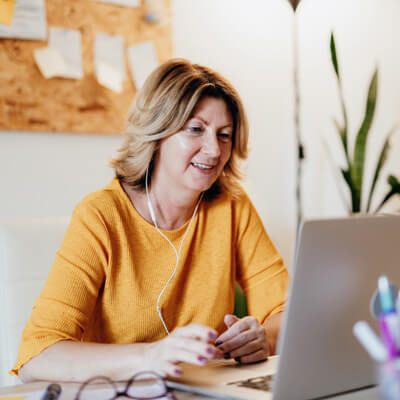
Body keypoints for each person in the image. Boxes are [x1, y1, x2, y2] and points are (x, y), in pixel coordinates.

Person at [12, 59, 288, 383]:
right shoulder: (100, 216)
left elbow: (288, 314)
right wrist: (151, 356)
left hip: (203, 391)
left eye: (224, 135)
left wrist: (264, 339)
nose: (214, 150)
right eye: (195, 129)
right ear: (158, 132)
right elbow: (37, 356)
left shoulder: (232, 206)